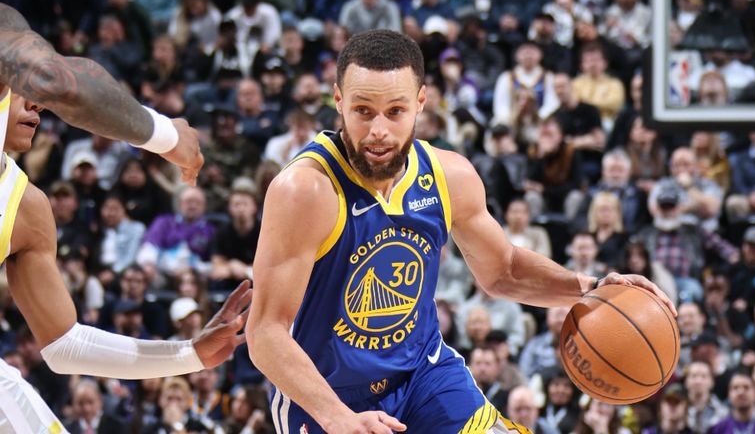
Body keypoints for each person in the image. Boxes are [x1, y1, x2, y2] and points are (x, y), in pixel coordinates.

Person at [247, 28, 675, 433]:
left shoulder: (448, 175)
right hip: (327, 393)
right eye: (363, 111)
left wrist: (592, 288)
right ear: (338, 101)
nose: (378, 130)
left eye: (395, 111)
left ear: (420, 102)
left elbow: (503, 271)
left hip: (424, 372)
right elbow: (265, 333)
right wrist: (339, 418)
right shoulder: (304, 190)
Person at [0, 91, 250, 432]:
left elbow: (66, 345)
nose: (36, 103)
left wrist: (190, 353)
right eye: (18, 89)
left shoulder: (27, 207)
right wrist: (167, 134)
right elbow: (71, 81)